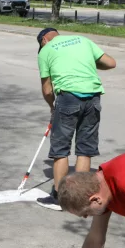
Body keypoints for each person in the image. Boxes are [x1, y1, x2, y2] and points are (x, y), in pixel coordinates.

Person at [37, 28, 116, 210]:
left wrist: (52, 107)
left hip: (68, 97)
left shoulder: (46, 51)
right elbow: (111, 63)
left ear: (44, 41)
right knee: (84, 149)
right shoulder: (82, 40)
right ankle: (80, 197)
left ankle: (58, 197)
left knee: (60, 149)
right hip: (93, 97)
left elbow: (47, 89)